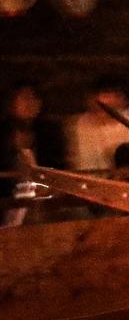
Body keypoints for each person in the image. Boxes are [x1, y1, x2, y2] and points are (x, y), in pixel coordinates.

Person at [1, 81, 67, 226]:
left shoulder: (49, 131)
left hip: (44, 194)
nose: (30, 104)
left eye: (34, 99)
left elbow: (58, 165)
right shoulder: (4, 132)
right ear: (11, 103)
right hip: (8, 195)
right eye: (24, 98)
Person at [66, 75, 129, 172]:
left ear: (126, 100)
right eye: (100, 94)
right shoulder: (83, 121)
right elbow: (85, 165)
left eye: (111, 95)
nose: (103, 99)